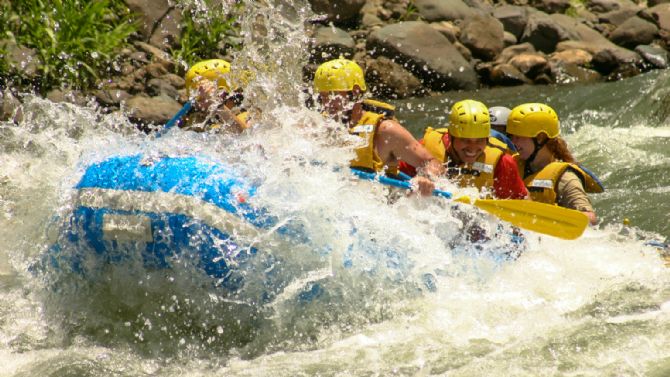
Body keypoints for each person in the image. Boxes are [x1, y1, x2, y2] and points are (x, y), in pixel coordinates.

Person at [313, 58, 443, 196]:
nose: (327, 103)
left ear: (355, 92)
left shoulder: (386, 131)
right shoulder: (317, 127)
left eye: (333, 95)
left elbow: (432, 163)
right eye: (323, 96)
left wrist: (426, 179)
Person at [400, 100, 528, 200]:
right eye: (465, 140)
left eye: (479, 141)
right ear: (450, 136)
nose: (472, 148)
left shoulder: (502, 162)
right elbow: (391, 182)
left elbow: (521, 204)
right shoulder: (424, 148)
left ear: (487, 139)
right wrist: (414, 183)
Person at [506, 103, 604, 225]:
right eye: (511, 136)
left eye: (518, 137)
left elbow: (589, 219)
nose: (513, 142)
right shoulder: (510, 164)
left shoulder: (565, 177)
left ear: (540, 138)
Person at [180, 59, 251, 133]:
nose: (199, 106)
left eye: (203, 99)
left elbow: (243, 134)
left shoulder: (248, 116)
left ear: (228, 96)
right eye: (198, 100)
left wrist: (217, 105)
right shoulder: (195, 120)